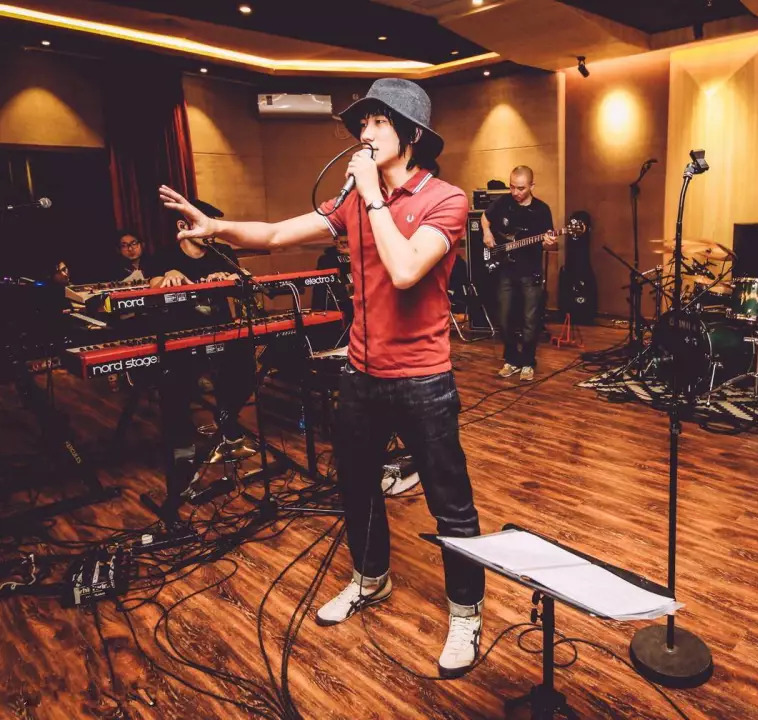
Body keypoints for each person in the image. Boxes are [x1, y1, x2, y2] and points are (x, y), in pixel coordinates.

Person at [158, 77, 485, 677]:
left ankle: (466, 612)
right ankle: (371, 579)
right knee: (356, 487)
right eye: (362, 123)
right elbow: (276, 234)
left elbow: (406, 270)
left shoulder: (446, 199)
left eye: (378, 122)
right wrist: (216, 228)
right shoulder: (353, 201)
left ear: (412, 134)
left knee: (451, 505)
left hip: (423, 378)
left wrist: (374, 198)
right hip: (361, 373)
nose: (364, 132)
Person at [143, 199, 258, 503]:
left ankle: (227, 426)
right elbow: (153, 285)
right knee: (175, 387)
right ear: (183, 226)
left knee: (245, 371)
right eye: (200, 223)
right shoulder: (163, 257)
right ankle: (183, 451)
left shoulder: (222, 253)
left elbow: (243, 275)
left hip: (222, 331)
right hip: (182, 337)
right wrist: (166, 279)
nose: (209, 232)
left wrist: (231, 277)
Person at [481, 166, 557, 381]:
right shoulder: (503, 202)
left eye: (521, 188)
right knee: (505, 318)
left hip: (530, 272)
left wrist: (549, 242)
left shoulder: (542, 210)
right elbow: (485, 218)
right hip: (505, 270)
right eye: (512, 187)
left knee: (530, 320)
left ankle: (528, 362)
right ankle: (511, 360)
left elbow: (548, 242)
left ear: (532, 186)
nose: (515, 192)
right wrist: (487, 233)